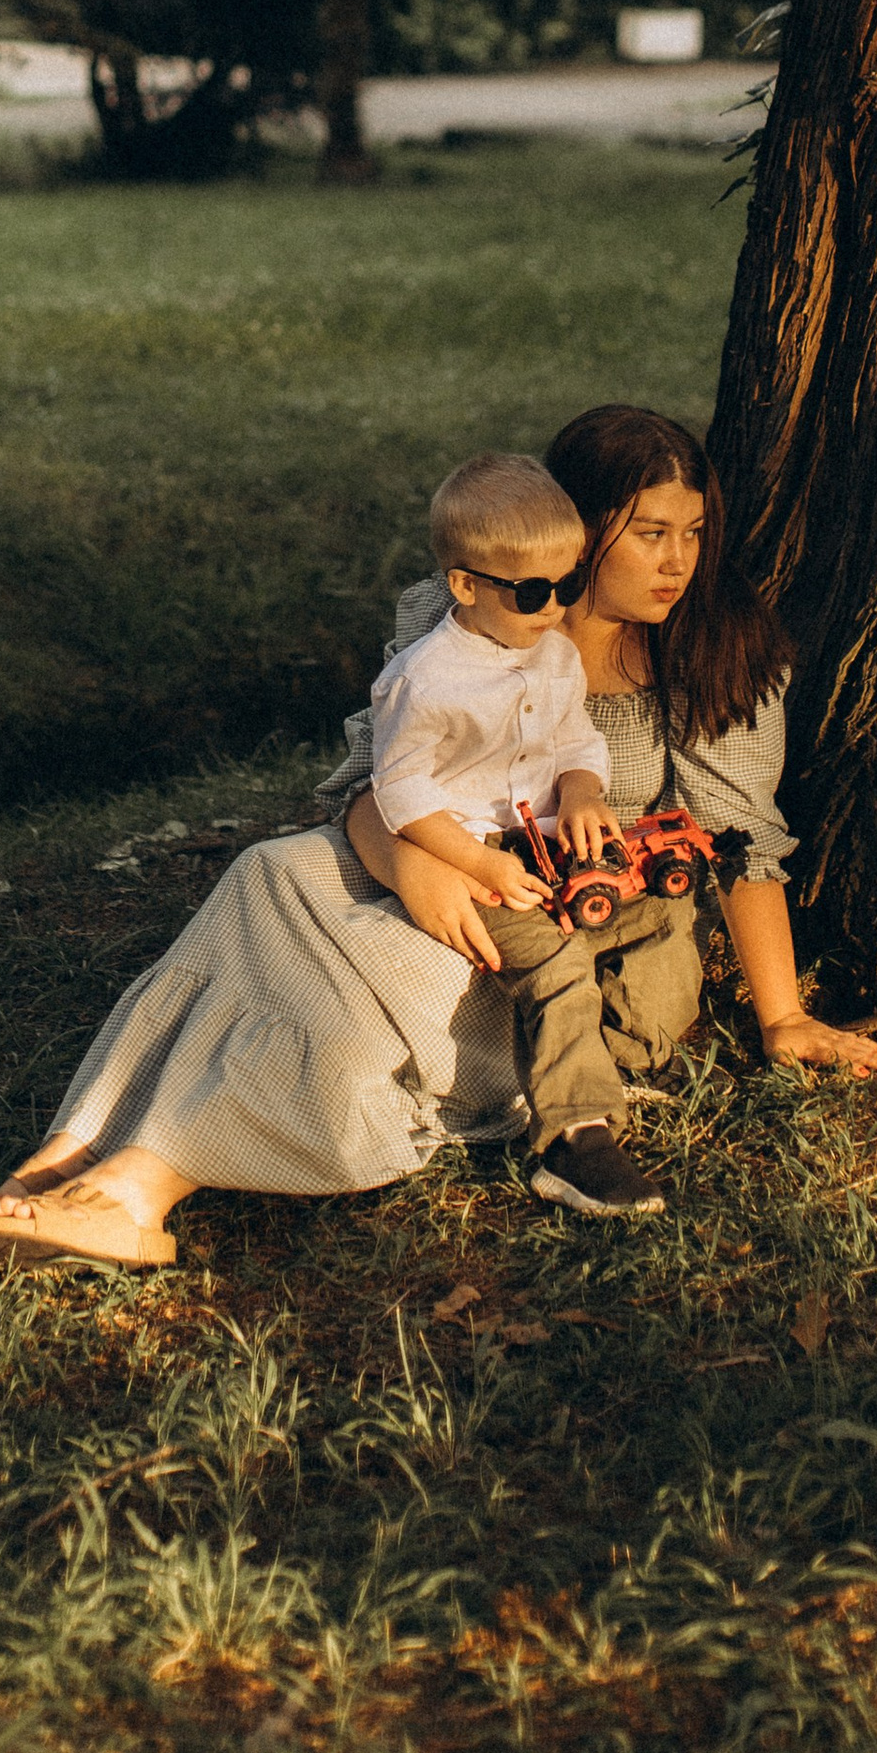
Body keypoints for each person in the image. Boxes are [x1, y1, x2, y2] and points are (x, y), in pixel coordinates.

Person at [0, 404, 877, 1272]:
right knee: (271, 872)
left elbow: (744, 847)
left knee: (362, 1007)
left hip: (570, 927)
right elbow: (373, 789)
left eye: (691, 534)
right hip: (444, 866)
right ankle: (68, 1153)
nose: (677, 562)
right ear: (575, 532)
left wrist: (782, 1018)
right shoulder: (458, 615)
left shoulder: (723, 655)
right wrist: (419, 873)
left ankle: (137, 1190)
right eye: (648, 535)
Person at [368, 452, 678, 1220]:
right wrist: (475, 862)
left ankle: (622, 1058)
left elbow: (575, 743)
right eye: (534, 593)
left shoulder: (555, 654)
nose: (553, 609)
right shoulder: (427, 679)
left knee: (652, 910)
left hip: (544, 842)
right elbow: (400, 790)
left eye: (568, 586)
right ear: (466, 586)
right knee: (555, 957)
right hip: (469, 855)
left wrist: (580, 791)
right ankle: (575, 1142)